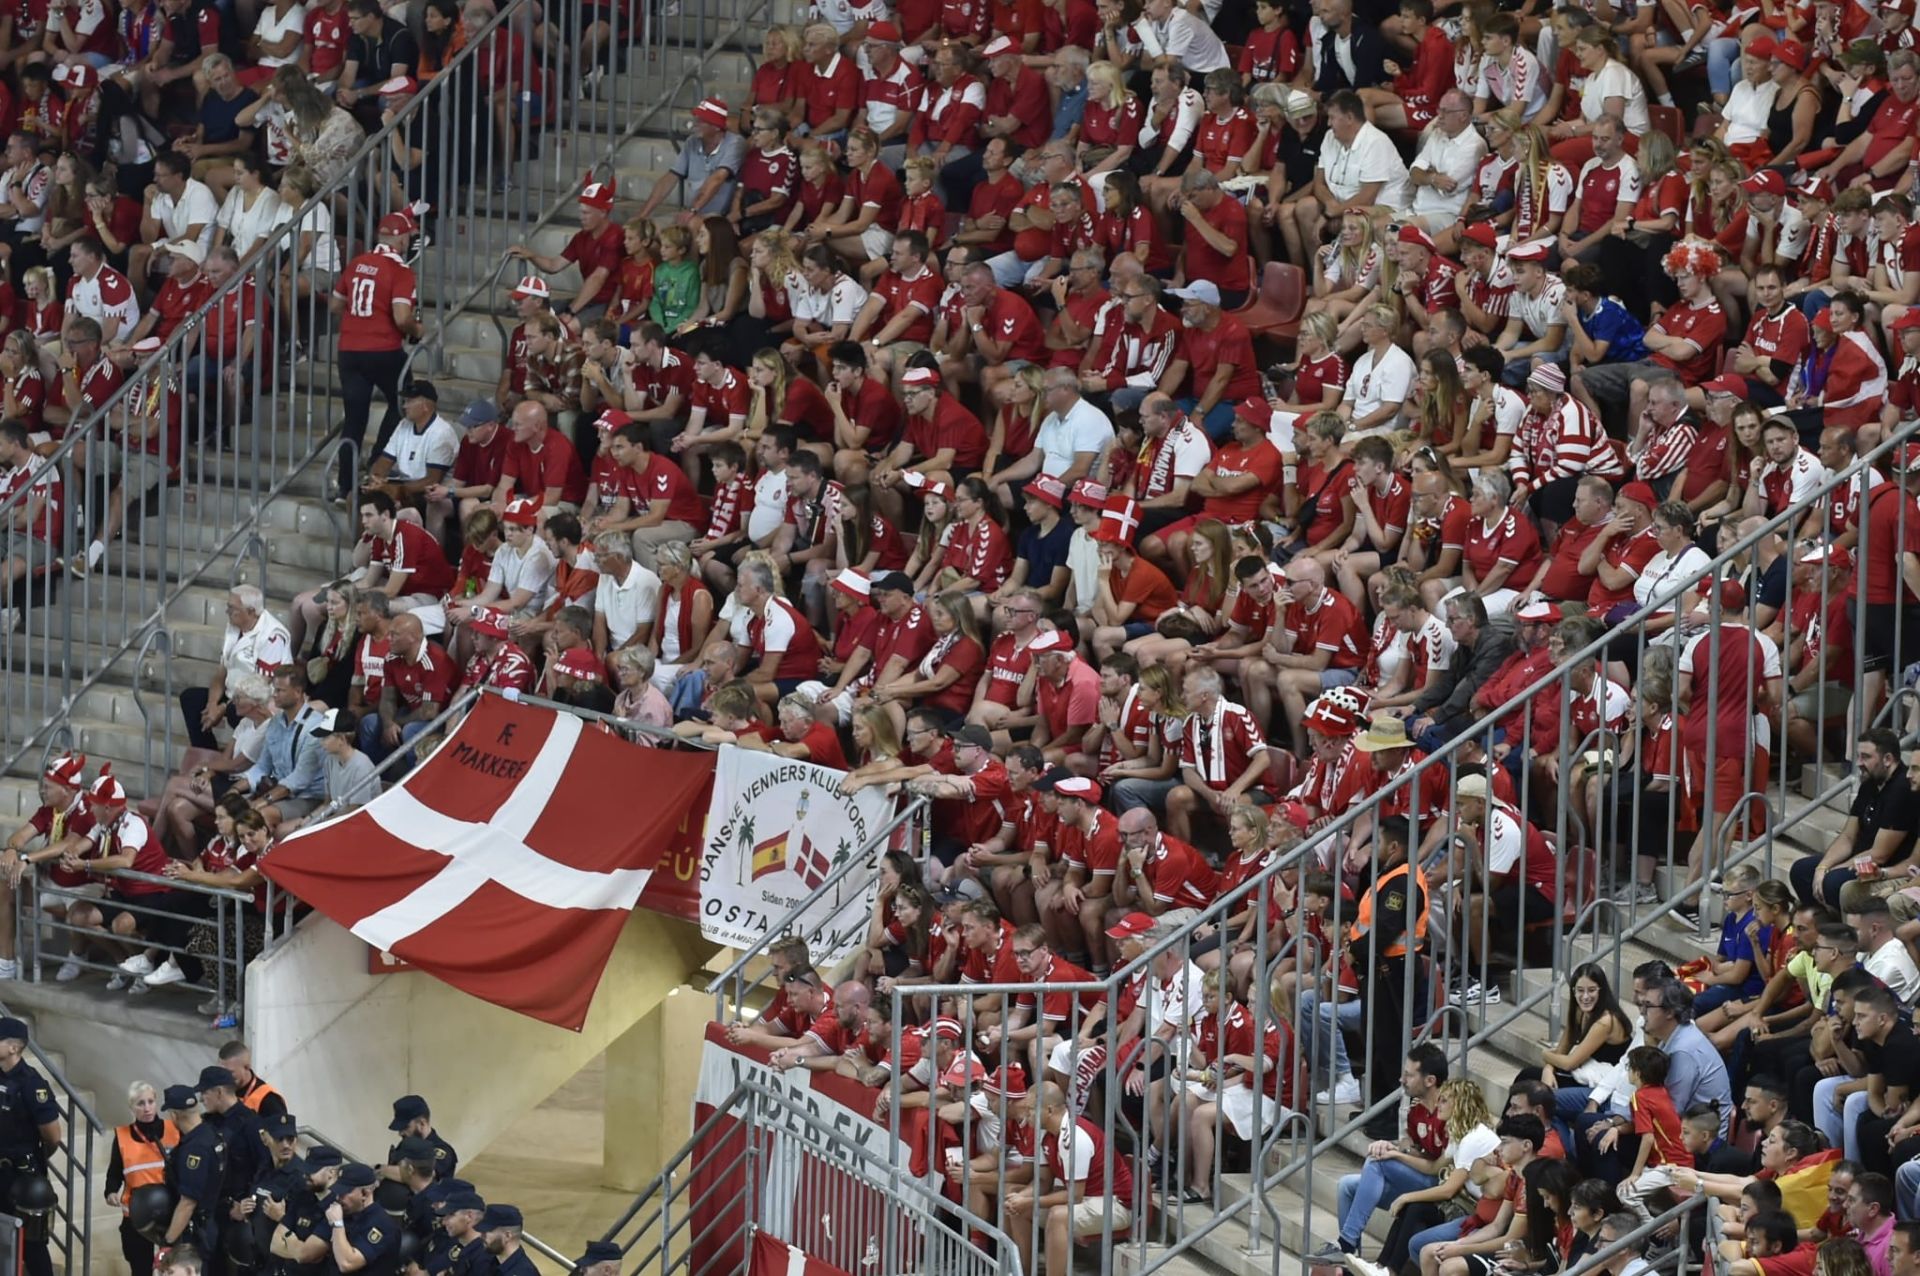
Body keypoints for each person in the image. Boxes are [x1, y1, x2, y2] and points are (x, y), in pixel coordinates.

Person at [328, 211, 420, 497]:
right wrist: (419, 330)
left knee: (354, 419)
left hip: (349, 351)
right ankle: (378, 464)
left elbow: (334, 305)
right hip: (383, 349)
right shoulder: (401, 271)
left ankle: (344, 487)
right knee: (405, 400)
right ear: (401, 240)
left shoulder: (357, 263)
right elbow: (403, 317)